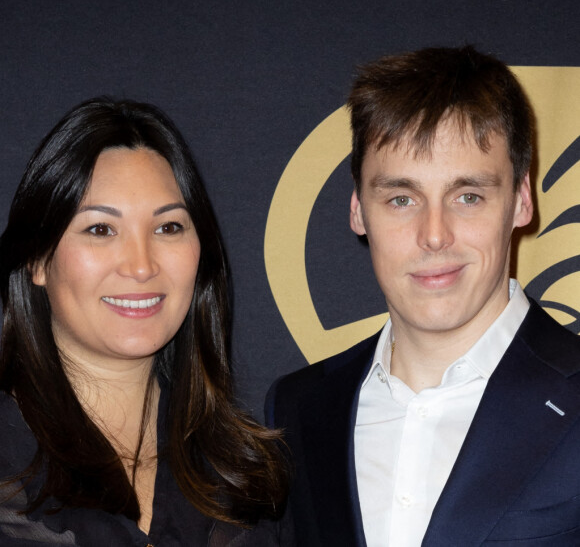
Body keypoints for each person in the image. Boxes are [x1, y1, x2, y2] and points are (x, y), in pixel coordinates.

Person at [266, 46, 580, 546]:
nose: (435, 235)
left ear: (521, 200)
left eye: (468, 196)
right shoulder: (299, 408)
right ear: (358, 210)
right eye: (402, 199)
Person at [0, 97, 292, 546]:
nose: (140, 266)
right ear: (38, 259)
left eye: (168, 228)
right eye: (100, 229)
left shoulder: (249, 471)